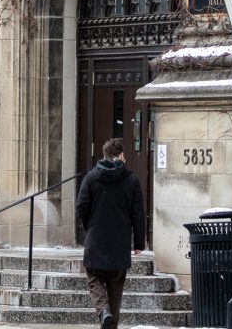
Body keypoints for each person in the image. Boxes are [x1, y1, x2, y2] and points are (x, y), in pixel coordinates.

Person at [76, 137, 146, 329]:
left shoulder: (91, 177)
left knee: (94, 280)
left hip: (96, 241)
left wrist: (90, 226)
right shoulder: (131, 180)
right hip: (119, 244)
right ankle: (110, 321)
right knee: (116, 288)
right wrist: (139, 243)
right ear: (122, 156)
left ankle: (103, 311)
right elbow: (138, 213)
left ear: (104, 155)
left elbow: (81, 205)